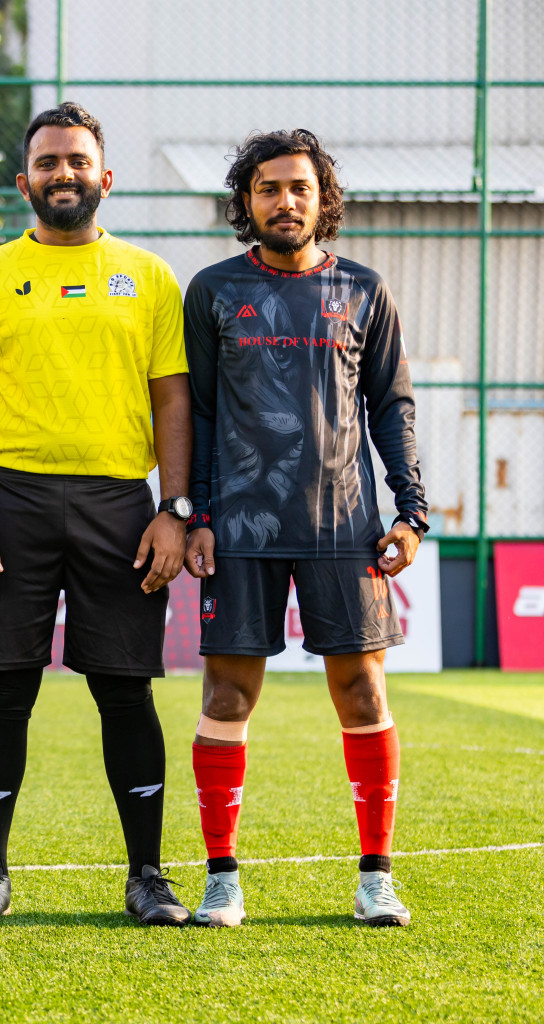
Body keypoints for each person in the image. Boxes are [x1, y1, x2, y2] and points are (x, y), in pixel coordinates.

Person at [0, 102, 193, 926]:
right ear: (25, 182)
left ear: (105, 178)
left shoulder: (149, 278)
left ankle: (147, 875)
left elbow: (174, 402)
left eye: (77, 161)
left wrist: (174, 511)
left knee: (126, 691)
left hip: (121, 504)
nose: (63, 174)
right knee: (3, 691)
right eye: (47, 163)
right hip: (10, 502)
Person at [184, 129, 427, 928]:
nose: (284, 201)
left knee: (362, 691)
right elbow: (200, 412)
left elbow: (391, 405)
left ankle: (375, 878)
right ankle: (222, 877)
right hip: (242, 527)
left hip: (343, 527)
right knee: (227, 694)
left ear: (323, 199)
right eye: (267, 188)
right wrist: (197, 513)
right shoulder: (215, 291)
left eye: (298, 187)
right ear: (245, 201)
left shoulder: (363, 290)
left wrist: (411, 510)